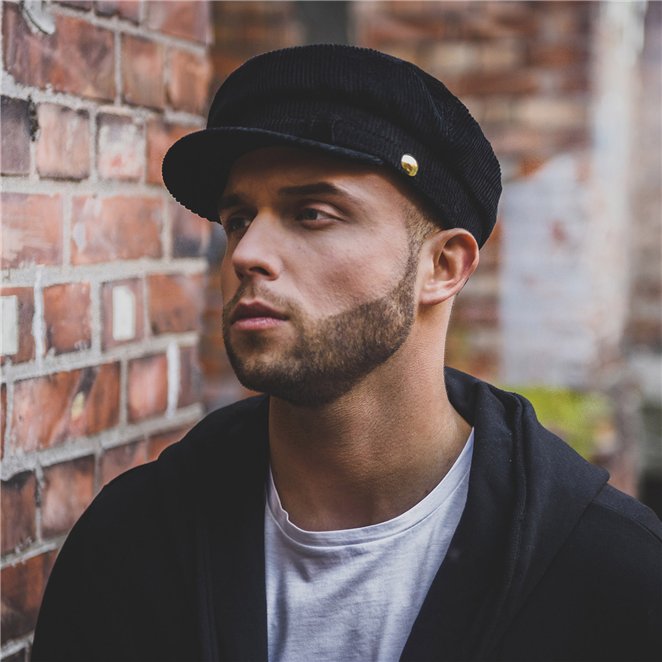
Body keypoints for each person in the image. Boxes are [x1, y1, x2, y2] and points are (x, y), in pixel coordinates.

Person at [32, 44, 661, 662]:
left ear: (442, 266)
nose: (248, 254)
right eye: (239, 219)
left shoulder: (613, 578)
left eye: (312, 214)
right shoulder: (133, 545)